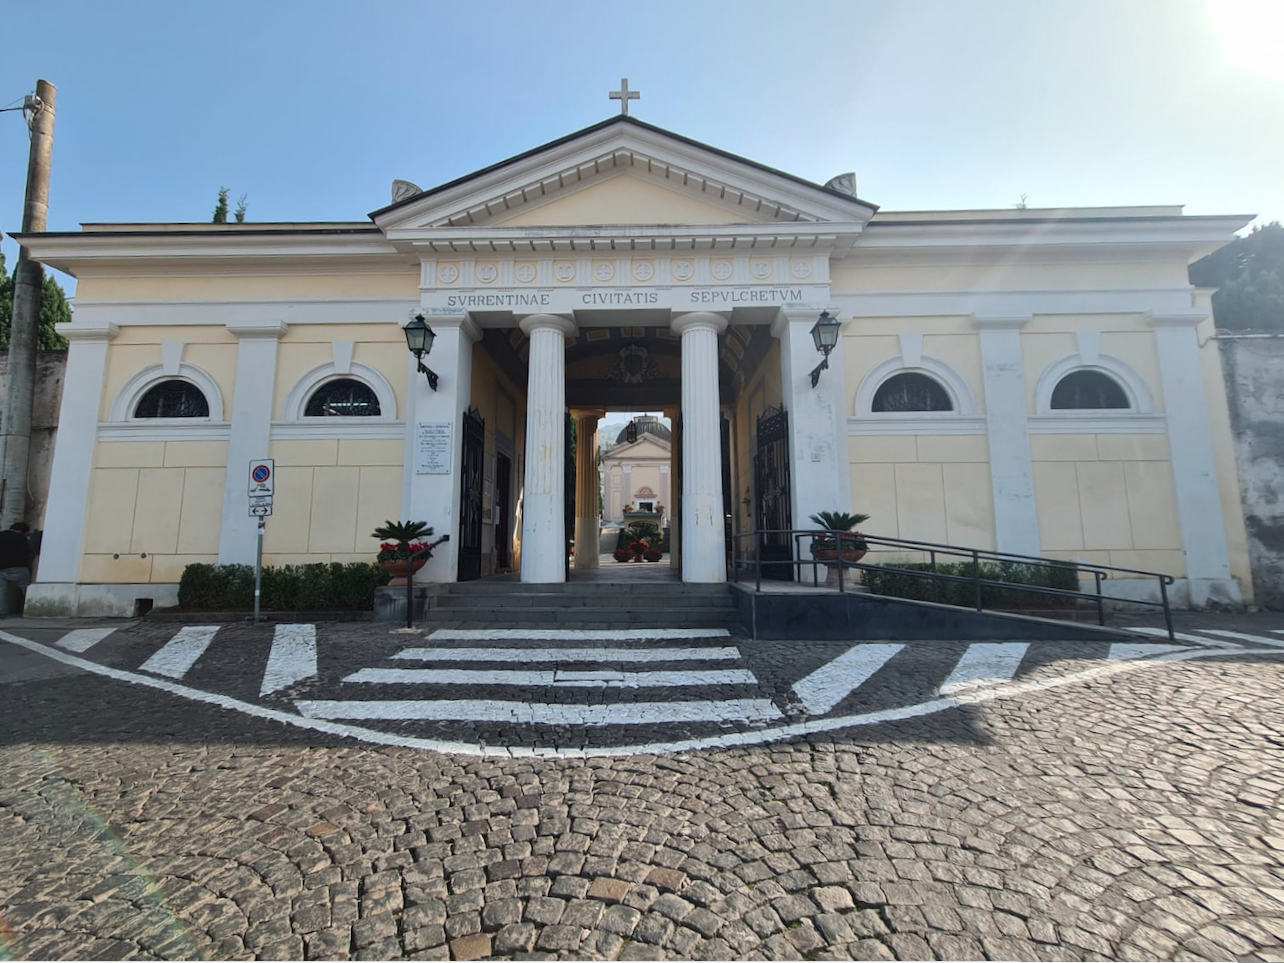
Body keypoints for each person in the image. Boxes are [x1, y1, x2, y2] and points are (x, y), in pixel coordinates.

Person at [0, 522, 32, 617]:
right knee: (26, 589)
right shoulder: (21, 537)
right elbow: (26, 551)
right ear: (22, 531)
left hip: (2, 568)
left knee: (0, 591)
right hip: (19, 567)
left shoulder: (1, 535)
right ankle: (30, 609)